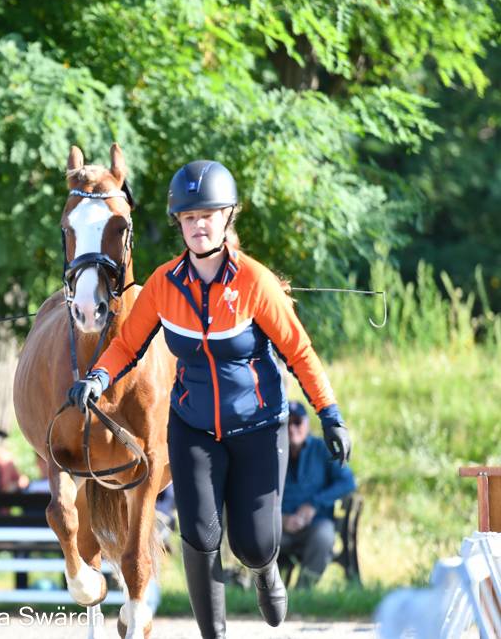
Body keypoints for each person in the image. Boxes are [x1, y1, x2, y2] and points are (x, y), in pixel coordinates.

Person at [68, 161, 352, 639]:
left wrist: (330, 414)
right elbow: (126, 344)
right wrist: (97, 378)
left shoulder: (254, 282)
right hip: (194, 428)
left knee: (253, 544)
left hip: (258, 427)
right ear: (179, 223)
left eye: (208, 216)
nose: (199, 225)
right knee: (199, 536)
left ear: (226, 218)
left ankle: (265, 569)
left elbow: (299, 352)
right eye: (189, 217)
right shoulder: (163, 285)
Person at [280, 400, 357, 588]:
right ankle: (268, 593)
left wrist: (314, 504)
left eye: (297, 422)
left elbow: (347, 482)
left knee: (324, 536)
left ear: (307, 424)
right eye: (287, 423)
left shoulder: (321, 448)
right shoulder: (272, 453)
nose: (292, 429)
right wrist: (280, 519)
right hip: (280, 526)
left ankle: (303, 592)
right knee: (261, 537)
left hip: (315, 523)